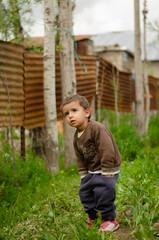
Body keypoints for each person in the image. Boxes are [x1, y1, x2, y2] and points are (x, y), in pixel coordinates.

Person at [60, 94, 121, 233]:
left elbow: (107, 149)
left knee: (103, 191)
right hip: (92, 169)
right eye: (66, 114)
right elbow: (80, 156)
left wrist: (107, 172)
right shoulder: (76, 136)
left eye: (74, 111)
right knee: (85, 192)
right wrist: (83, 175)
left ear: (87, 112)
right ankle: (92, 217)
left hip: (108, 167)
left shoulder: (97, 129)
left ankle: (109, 219)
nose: (70, 116)